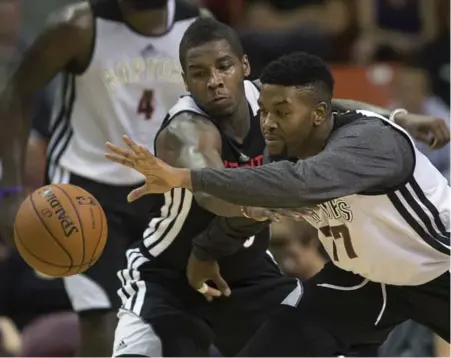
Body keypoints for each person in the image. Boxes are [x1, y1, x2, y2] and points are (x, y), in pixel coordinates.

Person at [106, 50, 450, 356]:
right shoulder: (292, 150)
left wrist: (185, 177)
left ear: (318, 114)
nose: (268, 124)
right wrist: (207, 250)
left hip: (439, 269)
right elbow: (259, 206)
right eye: (264, 111)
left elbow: (297, 185)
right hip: (366, 281)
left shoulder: (368, 143)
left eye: (281, 112)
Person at [0, 0, 207, 355]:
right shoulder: (77, 28)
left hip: (166, 190)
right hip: (86, 191)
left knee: (183, 326)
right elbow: (17, 93)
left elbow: (226, 107)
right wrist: (12, 189)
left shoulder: (199, 28)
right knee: (103, 323)